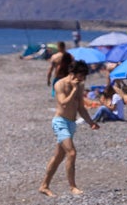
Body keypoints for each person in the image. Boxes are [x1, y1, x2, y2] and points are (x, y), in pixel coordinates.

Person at [41, 59, 99, 196]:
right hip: (60, 122)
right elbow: (63, 103)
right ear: (73, 73)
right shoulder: (60, 84)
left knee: (58, 157)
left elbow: (80, 107)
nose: (82, 78)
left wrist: (91, 122)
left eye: (84, 76)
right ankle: (73, 187)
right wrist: (73, 89)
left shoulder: (80, 85)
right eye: (81, 75)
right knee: (71, 153)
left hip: (71, 124)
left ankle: (44, 186)